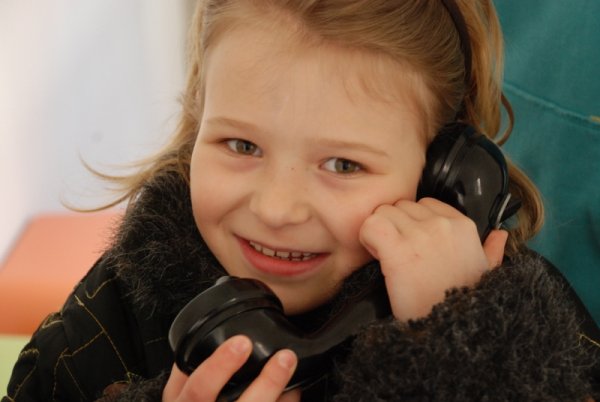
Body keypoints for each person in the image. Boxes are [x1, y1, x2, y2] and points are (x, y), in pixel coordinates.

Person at [4, 0, 599, 401]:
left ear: (441, 172)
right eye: (242, 145)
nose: (277, 209)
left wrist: (464, 356)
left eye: (343, 165)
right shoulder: (106, 321)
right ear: (195, 123)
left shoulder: (515, 322)